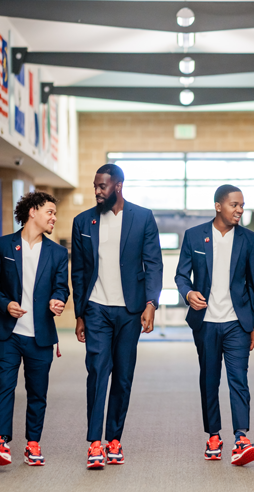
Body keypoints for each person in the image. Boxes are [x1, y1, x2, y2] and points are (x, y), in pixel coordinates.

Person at [71, 163, 163, 469]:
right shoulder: (83, 221)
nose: (97, 191)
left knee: (123, 377)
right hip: (96, 308)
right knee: (98, 371)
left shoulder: (142, 217)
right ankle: (95, 443)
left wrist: (151, 303)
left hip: (130, 311)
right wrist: (80, 314)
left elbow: (153, 263)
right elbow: (80, 272)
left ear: (118, 186)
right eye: (95, 186)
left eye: (103, 186)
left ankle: (114, 440)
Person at [175, 185, 254, 466]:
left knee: (239, 379)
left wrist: (253, 324)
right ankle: (214, 435)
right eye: (234, 205)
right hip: (206, 324)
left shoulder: (249, 239)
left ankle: (241, 437)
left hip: (237, 322)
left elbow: (253, 283)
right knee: (209, 379)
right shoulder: (194, 236)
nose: (239, 210)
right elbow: (181, 276)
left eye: (242, 205)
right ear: (218, 206)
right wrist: (188, 294)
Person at [0, 192, 69, 467]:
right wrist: (6, 305)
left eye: (55, 213)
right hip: (8, 333)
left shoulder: (57, 253)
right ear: (33, 212)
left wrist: (58, 300)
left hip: (40, 335)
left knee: (37, 391)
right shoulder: (3, 246)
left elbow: (61, 287)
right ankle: (0, 441)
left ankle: (33, 443)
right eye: (50, 212)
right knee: (5, 386)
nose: (54, 217)